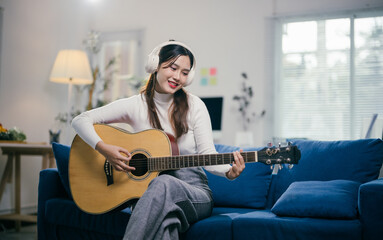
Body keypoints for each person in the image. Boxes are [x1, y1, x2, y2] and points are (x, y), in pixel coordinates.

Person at [71, 40, 245, 240]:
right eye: (173, 68)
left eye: (185, 73)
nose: (178, 77)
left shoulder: (195, 106)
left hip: (194, 191)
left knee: (163, 183)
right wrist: (103, 149)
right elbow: (81, 120)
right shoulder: (135, 105)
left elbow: (208, 154)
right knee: (166, 224)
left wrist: (229, 172)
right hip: (147, 193)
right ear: (155, 65)